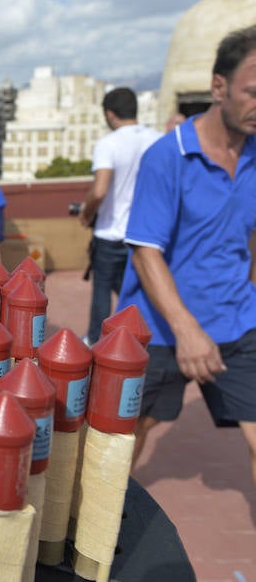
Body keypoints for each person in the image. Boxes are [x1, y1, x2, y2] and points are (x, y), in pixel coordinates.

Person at [115, 25, 256, 484]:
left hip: (236, 319)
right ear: (219, 87)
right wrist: (188, 330)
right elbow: (144, 251)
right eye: (251, 92)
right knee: (128, 436)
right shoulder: (167, 156)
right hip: (160, 327)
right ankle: (90, 538)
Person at [79, 88, 160, 344]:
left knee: (102, 291)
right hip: (147, 232)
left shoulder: (108, 144)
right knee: (143, 290)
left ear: (110, 114)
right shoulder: (158, 139)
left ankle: (96, 340)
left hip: (111, 233)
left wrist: (86, 213)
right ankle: (141, 339)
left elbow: (100, 190)